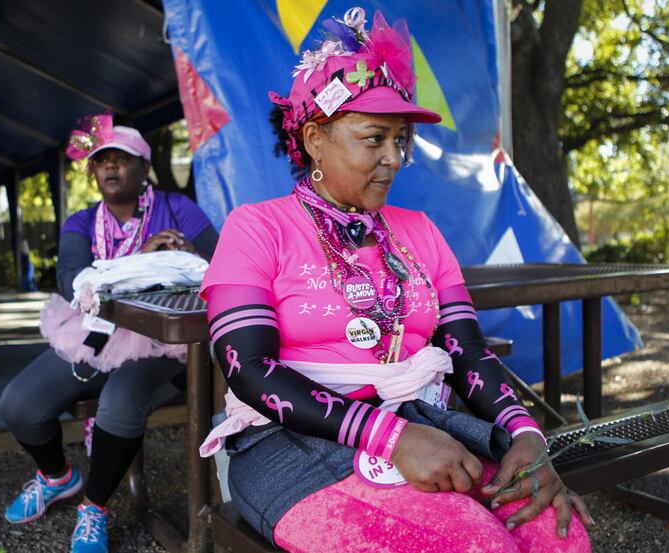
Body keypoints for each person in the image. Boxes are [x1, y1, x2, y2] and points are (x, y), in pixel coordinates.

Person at [199, 8, 593, 553]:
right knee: (474, 543)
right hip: (290, 445)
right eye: (374, 138)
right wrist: (393, 438)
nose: (394, 158)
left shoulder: (420, 231)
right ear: (315, 138)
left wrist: (525, 434)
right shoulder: (256, 227)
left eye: (401, 140)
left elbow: (468, 352)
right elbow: (251, 373)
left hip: (423, 424)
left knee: (558, 537)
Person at [0, 117, 217, 553]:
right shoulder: (81, 222)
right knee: (19, 405)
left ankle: (94, 507)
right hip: (92, 332)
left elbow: (224, 263)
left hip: (164, 344)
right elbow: (71, 281)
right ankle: (58, 477)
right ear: (92, 172)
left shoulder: (178, 209)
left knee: (120, 402)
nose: (111, 168)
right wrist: (141, 259)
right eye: (102, 162)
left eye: (123, 160)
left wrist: (188, 255)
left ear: (144, 168)